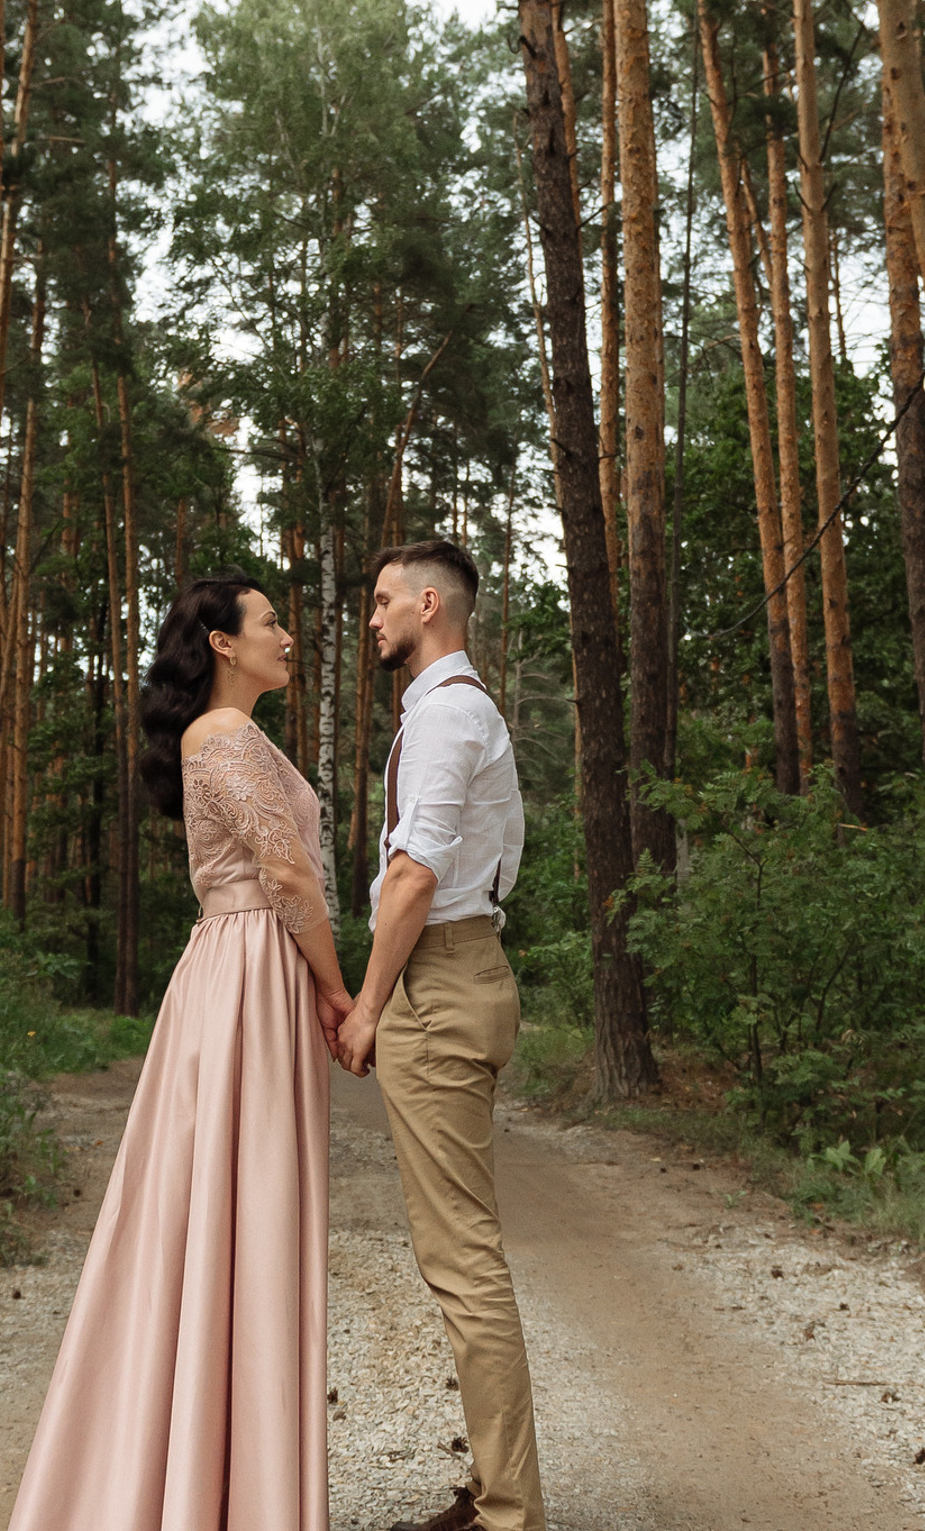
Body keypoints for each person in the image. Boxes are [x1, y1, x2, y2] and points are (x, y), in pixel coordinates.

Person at [5, 576, 352, 1531]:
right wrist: (335, 987)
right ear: (223, 644)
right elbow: (285, 872)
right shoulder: (226, 737)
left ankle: (218, 1481)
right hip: (250, 977)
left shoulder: (239, 736)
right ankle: (210, 1489)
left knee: (226, 1217)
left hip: (245, 975)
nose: (288, 634)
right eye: (272, 622)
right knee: (235, 1213)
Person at [337, 540, 543, 1531]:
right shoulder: (443, 712)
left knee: (464, 1262)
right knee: (458, 1257)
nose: (371, 618)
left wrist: (370, 1004)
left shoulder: (450, 714)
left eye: (382, 602)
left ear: (429, 605)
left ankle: (510, 1514)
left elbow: (415, 875)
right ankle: (500, 1493)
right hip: (453, 969)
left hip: (442, 976)